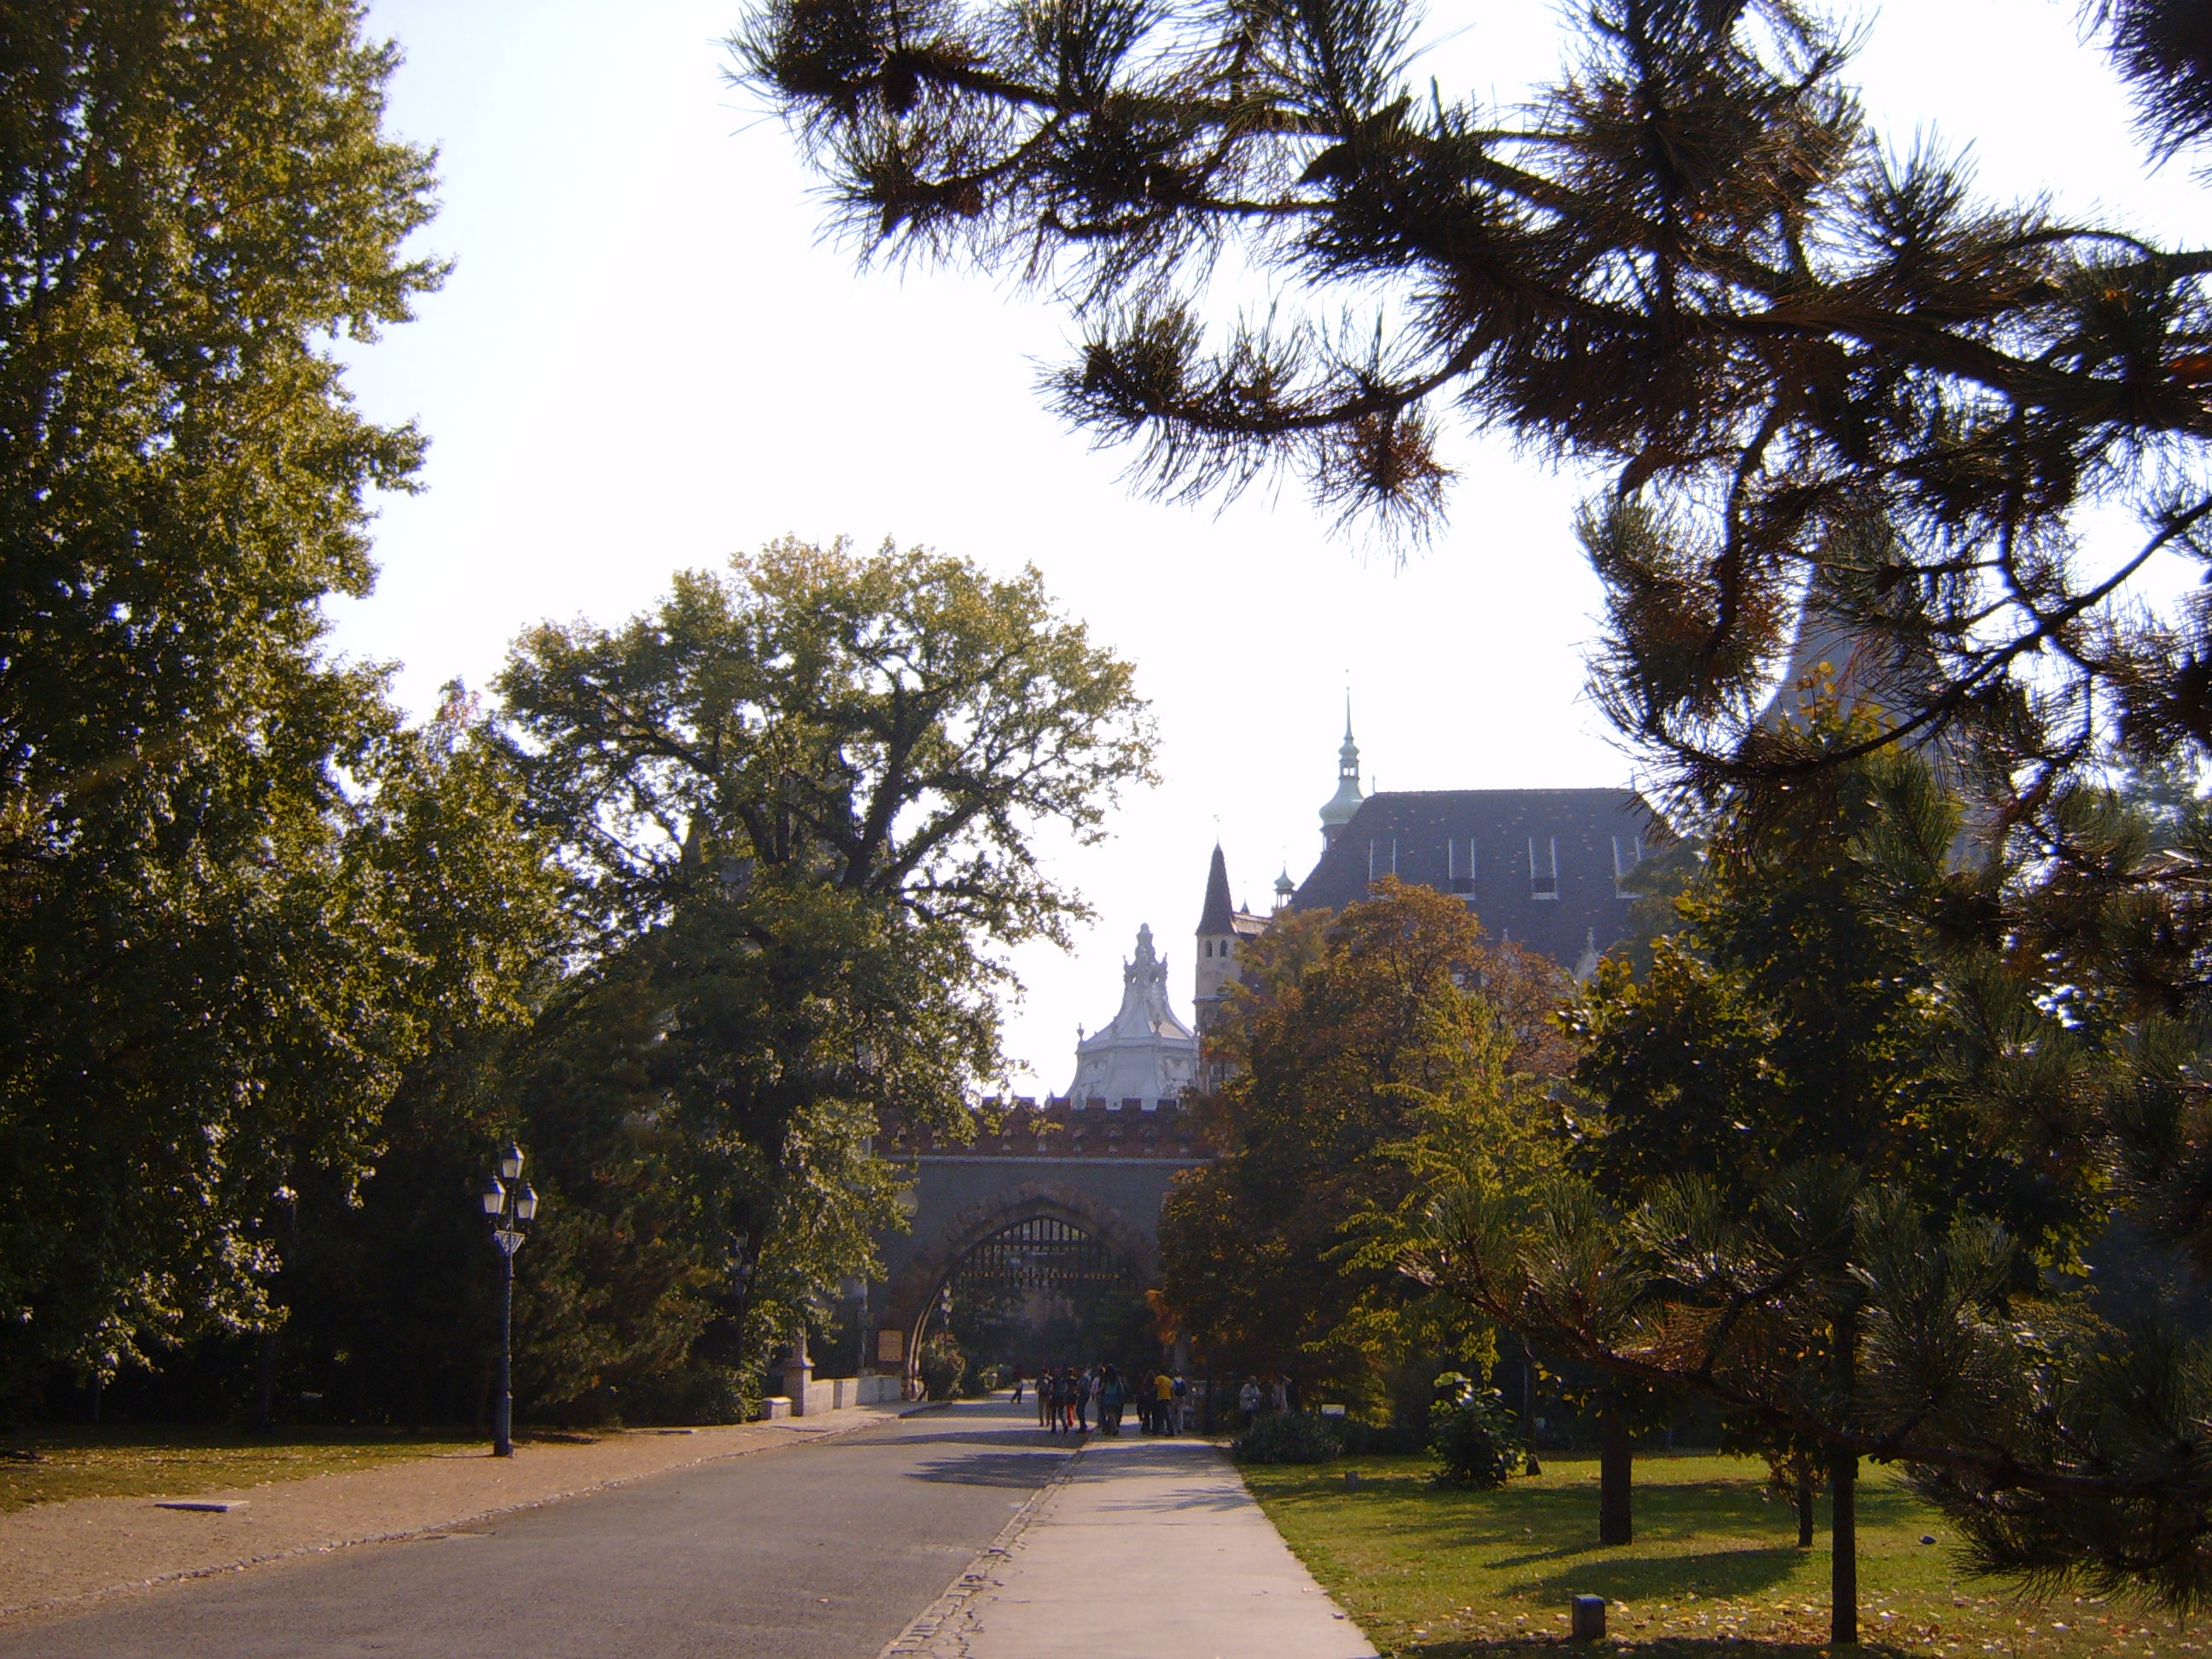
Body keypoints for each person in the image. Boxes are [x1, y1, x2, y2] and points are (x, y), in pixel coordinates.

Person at [1155, 1368, 1177, 1435]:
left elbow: (1156, 1387)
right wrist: (1173, 1399)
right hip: (1168, 1398)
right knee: (1164, 1415)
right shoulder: (1168, 1380)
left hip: (1161, 1398)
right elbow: (1171, 1390)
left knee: (1161, 1415)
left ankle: (1170, 1430)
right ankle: (1157, 1430)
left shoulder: (1158, 1378)